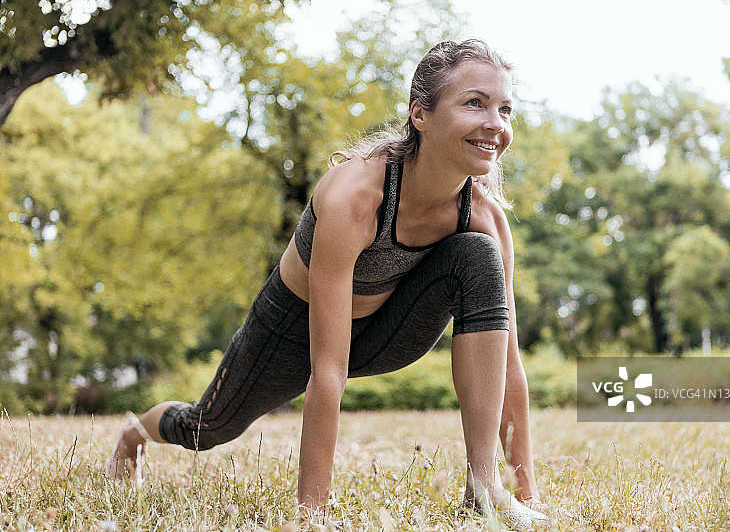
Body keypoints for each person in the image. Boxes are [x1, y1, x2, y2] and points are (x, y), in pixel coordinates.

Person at [108, 39, 547, 529]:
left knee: (478, 255)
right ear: (420, 114)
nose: (496, 124)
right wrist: (311, 518)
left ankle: (484, 490)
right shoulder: (355, 197)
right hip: (291, 329)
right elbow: (328, 371)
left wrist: (523, 489)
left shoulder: (483, 217)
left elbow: (508, 364)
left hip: (386, 328)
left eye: (505, 109)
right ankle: (133, 434)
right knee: (203, 427)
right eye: (475, 103)